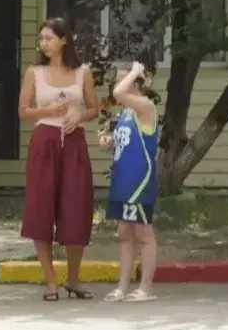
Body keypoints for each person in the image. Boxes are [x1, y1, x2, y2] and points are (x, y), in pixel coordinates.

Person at [18, 17, 99, 301]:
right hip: (45, 142)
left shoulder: (83, 72)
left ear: (65, 39)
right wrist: (49, 110)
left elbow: (94, 108)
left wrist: (80, 114)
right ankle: (50, 281)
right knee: (41, 208)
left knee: (76, 207)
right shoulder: (34, 73)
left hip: (74, 143)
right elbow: (23, 111)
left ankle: (73, 279)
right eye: (42, 39)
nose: (45, 43)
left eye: (50, 38)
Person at [100, 62, 159, 302]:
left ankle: (146, 287)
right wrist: (110, 140)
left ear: (136, 83)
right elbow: (127, 140)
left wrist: (137, 70)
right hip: (122, 179)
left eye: (123, 79)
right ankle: (122, 287)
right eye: (117, 79)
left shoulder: (145, 106)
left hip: (139, 180)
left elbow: (117, 93)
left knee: (143, 233)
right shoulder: (126, 112)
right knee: (124, 233)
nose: (117, 83)